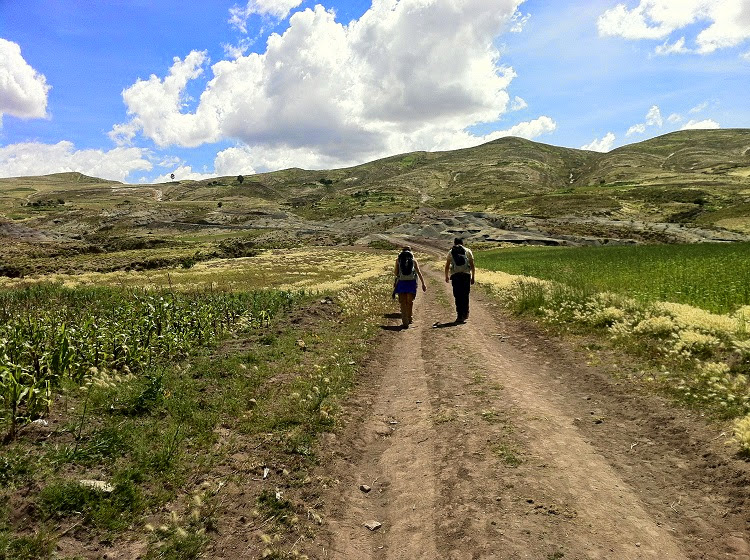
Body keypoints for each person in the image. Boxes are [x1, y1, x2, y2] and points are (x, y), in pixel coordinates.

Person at [393, 246, 426, 328]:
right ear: (410, 252)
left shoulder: (398, 260)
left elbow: (396, 273)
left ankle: (405, 321)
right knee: (410, 302)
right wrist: (423, 283)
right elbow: (418, 272)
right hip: (411, 283)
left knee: (402, 302)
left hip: (401, 283)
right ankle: (410, 318)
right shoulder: (413, 260)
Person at [444, 238, 475, 323]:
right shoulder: (468, 251)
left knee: (457, 295)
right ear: (462, 243)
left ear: (454, 243)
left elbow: (447, 265)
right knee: (465, 295)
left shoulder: (451, 251)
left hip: (455, 276)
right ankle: (465, 313)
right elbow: (472, 265)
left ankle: (459, 315)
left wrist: (446, 276)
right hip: (466, 275)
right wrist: (473, 277)